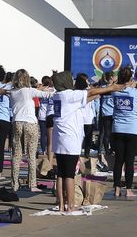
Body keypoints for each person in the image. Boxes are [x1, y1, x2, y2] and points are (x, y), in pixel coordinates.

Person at [51, 71, 122, 213]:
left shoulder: (58, 95)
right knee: (70, 175)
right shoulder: (70, 95)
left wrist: (99, 94)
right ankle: (70, 206)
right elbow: (90, 91)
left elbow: (86, 98)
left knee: (61, 174)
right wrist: (111, 88)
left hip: (59, 139)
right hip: (70, 139)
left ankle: (61, 204)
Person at [7, 69, 49, 193]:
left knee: (16, 156)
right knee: (31, 155)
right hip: (31, 123)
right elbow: (45, 95)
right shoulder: (30, 91)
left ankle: (14, 184)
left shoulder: (12, 92)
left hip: (17, 123)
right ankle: (33, 184)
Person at [109, 67, 137, 199]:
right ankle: (128, 189)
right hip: (133, 129)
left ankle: (117, 188)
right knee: (129, 161)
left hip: (118, 128)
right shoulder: (135, 92)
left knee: (119, 160)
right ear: (131, 79)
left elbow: (112, 86)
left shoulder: (115, 92)